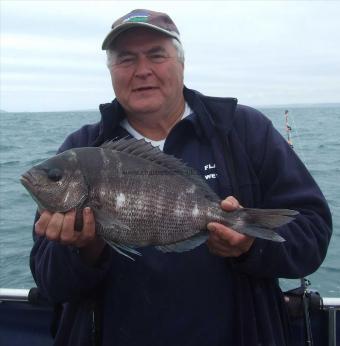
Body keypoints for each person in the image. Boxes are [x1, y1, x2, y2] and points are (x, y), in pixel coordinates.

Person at [30, 9, 332, 346]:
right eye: (126, 59)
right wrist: (82, 250)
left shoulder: (245, 131)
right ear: (111, 71)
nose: (142, 70)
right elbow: (50, 284)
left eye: (156, 55)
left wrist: (250, 246)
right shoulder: (81, 150)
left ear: (181, 63)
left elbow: (313, 235)